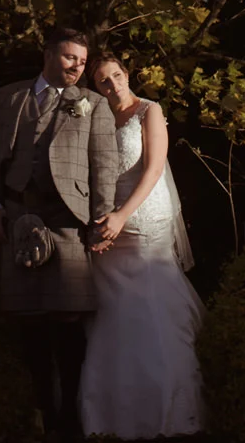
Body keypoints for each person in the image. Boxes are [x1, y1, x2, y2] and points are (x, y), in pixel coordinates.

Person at [0, 27, 120, 443]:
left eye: (82, 60)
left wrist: (99, 221)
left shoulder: (93, 104)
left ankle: (70, 415)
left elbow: (104, 166)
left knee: (68, 319)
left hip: (68, 221)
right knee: (30, 321)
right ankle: (43, 413)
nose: (78, 66)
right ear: (48, 54)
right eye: (71, 57)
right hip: (16, 219)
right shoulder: (9, 97)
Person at [77, 51, 206, 439]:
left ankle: (168, 410)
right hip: (108, 226)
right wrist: (101, 220)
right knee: (114, 314)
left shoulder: (149, 110)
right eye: (103, 80)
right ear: (95, 86)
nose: (113, 84)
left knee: (150, 311)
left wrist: (123, 215)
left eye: (117, 75)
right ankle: (112, 417)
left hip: (146, 217)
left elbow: (153, 169)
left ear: (127, 74)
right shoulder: (96, 116)